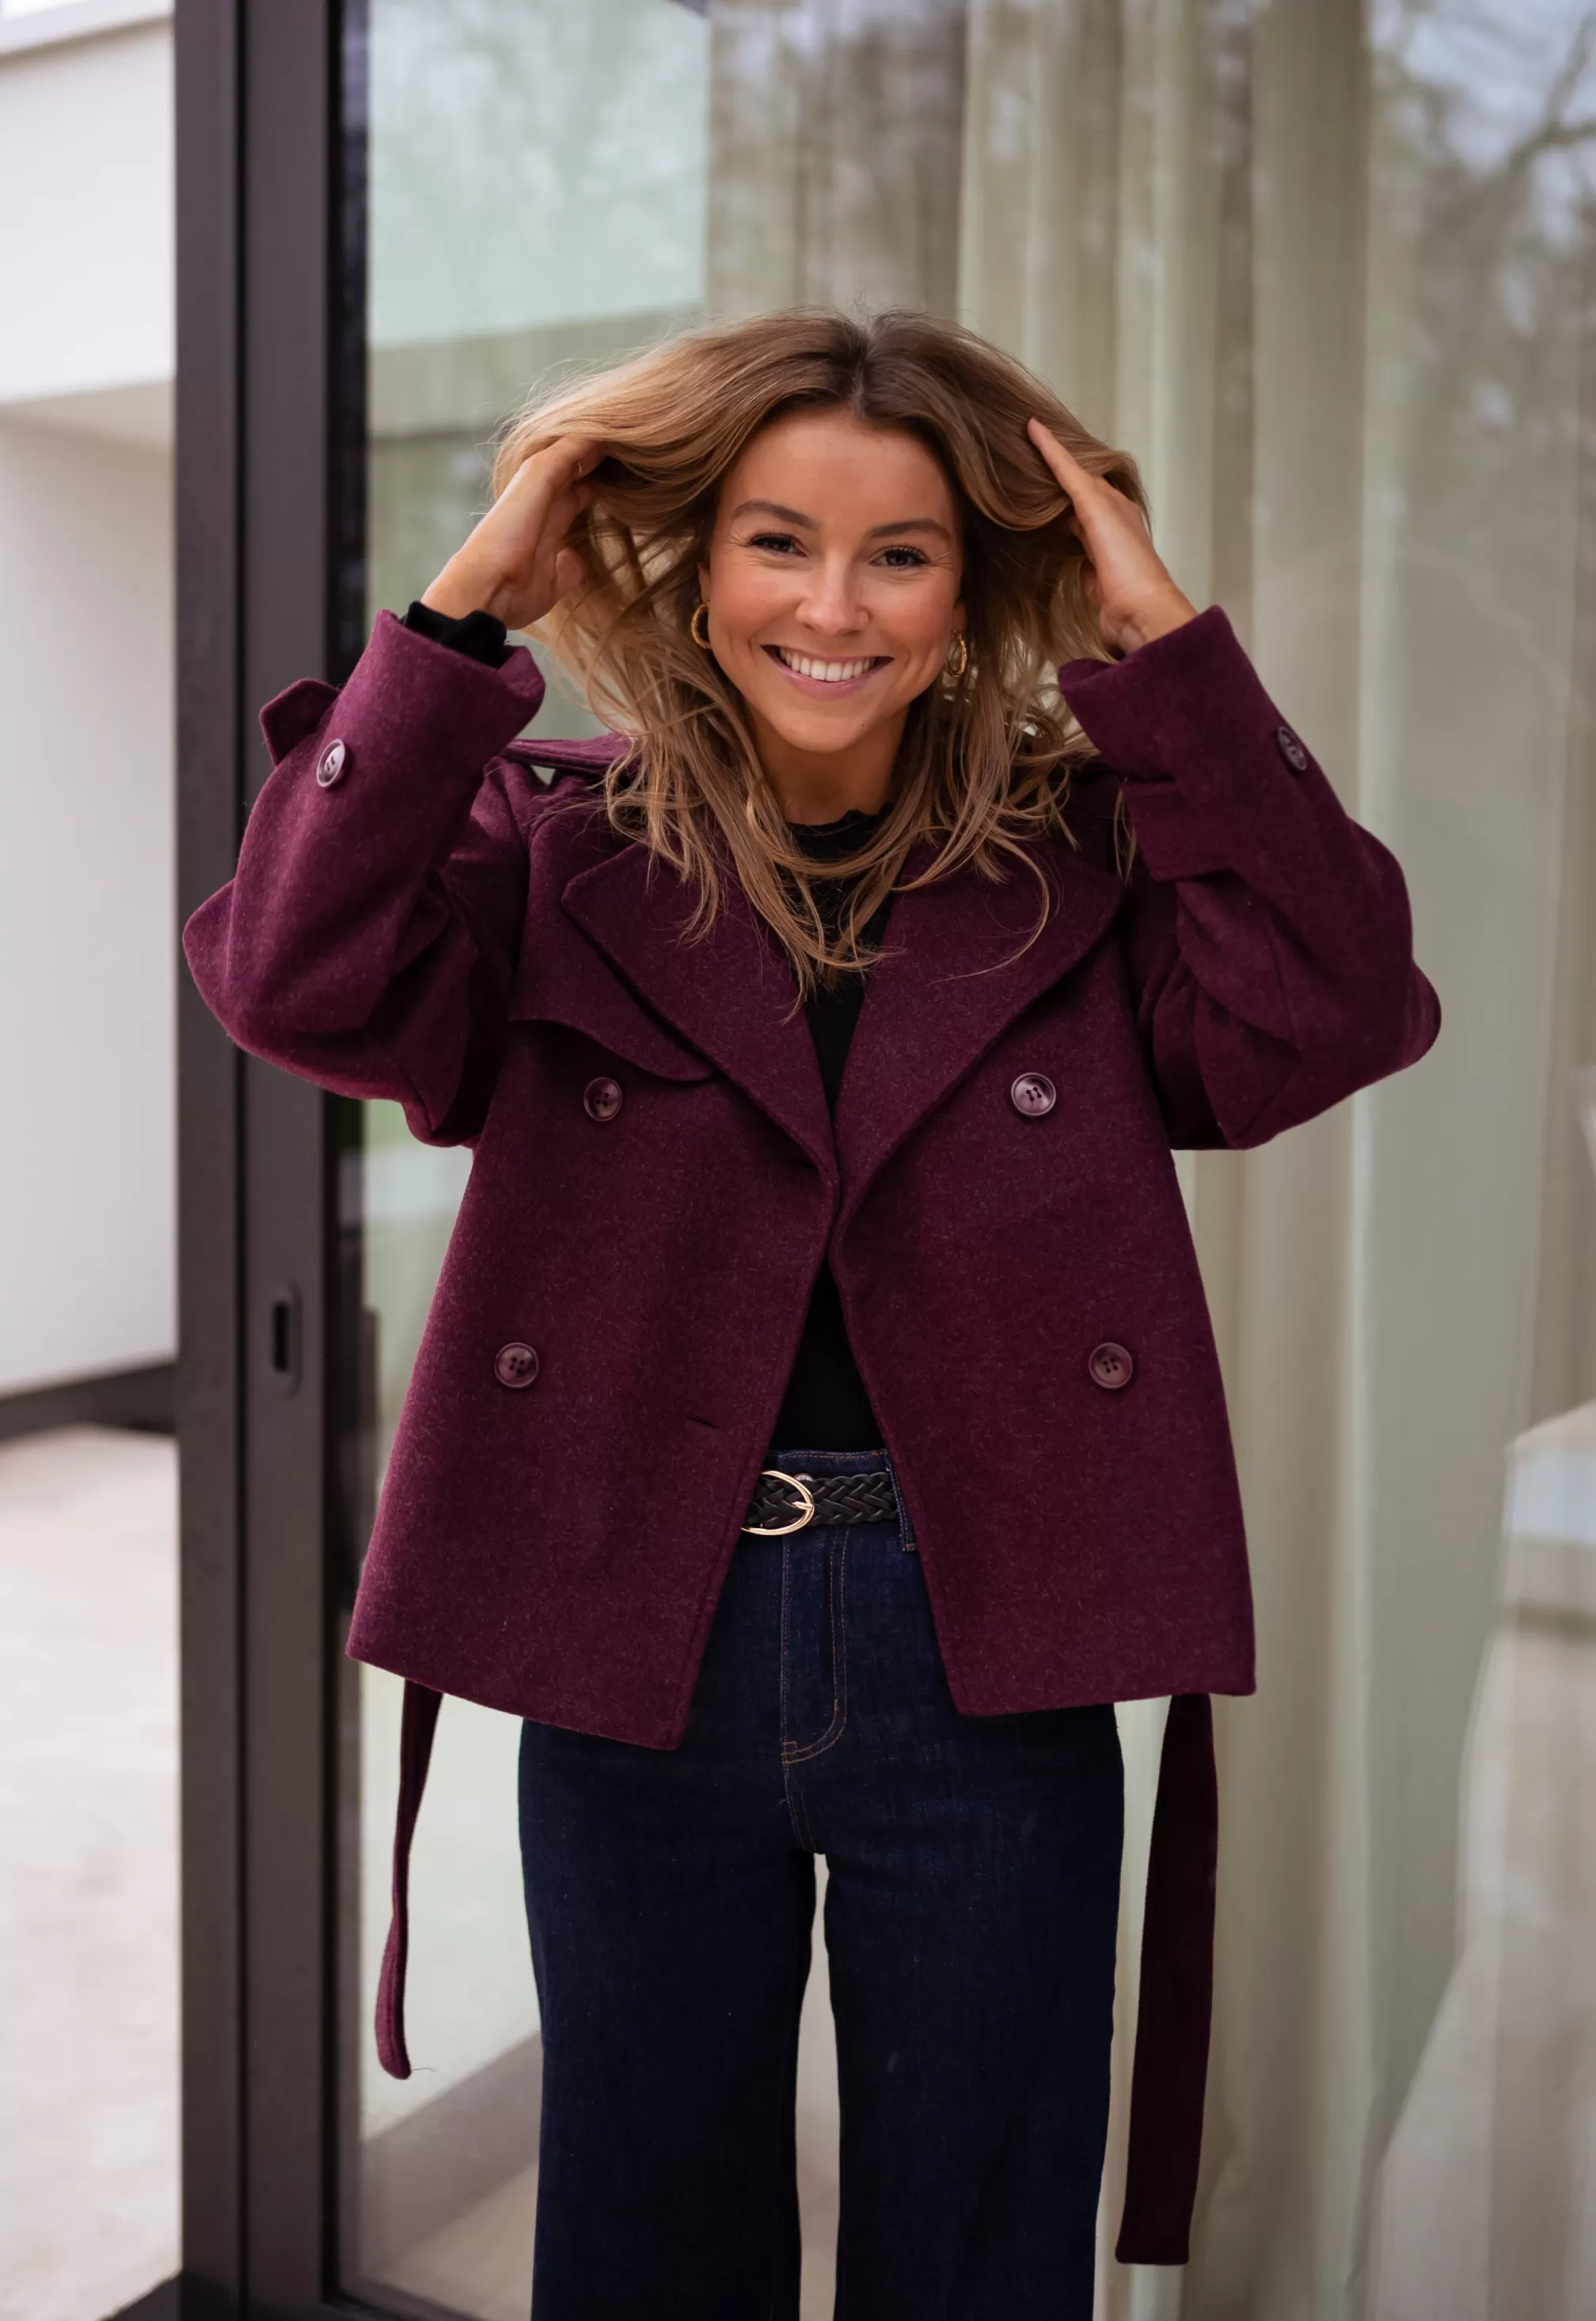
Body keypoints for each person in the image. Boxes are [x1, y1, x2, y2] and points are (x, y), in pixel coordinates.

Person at [184, 308, 1439, 2319]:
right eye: (777, 541)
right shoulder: (558, 841)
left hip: (989, 1637)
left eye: (900, 554)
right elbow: (291, 974)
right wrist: (461, 614)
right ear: (699, 561)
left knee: (980, 2249)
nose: (832, 607)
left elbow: (1340, 1003)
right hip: (641, 1623)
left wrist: (1159, 646)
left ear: (973, 588)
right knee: (646, 2242)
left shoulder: (1091, 856)